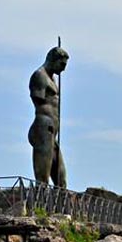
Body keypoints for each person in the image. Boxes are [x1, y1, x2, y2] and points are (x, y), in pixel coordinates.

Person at [28, 47, 69, 187]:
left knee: (61, 178)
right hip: (44, 126)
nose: (63, 69)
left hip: (52, 132)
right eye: (62, 64)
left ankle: (62, 207)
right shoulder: (40, 75)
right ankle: (40, 205)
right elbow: (38, 100)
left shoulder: (52, 79)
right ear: (53, 60)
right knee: (43, 177)